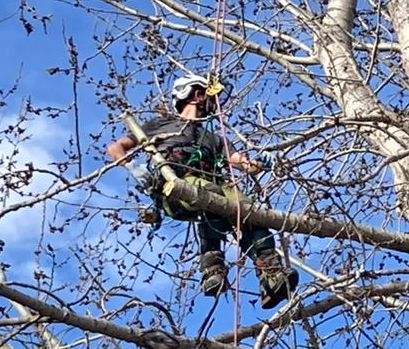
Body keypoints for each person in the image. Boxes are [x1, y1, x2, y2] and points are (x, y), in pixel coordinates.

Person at [106, 72, 297, 308]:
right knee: (211, 195)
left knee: (247, 208)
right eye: (208, 95)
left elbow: (241, 163)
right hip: (177, 185)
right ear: (196, 94)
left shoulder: (214, 138)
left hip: (211, 185)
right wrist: (133, 168)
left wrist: (261, 163)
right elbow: (116, 148)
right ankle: (212, 267)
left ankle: (272, 275)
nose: (212, 102)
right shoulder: (160, 125)